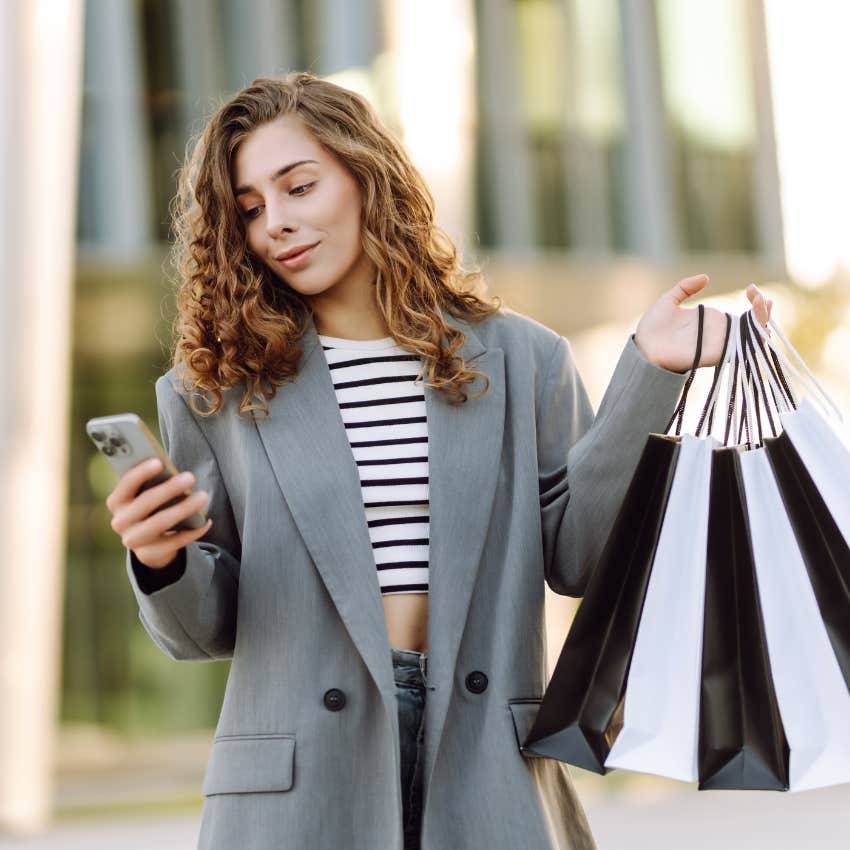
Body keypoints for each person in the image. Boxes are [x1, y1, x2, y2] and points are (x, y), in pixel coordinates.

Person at [104, 71, 773, 850]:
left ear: (364, 176)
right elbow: (205, 629)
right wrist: (159, 558)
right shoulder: (211, 390)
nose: (276, 224)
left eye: (299, 187)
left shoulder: (522, 358)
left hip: (485, 757)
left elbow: (581, 559)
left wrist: (652, 370)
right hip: (297, 784)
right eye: (251, 209)